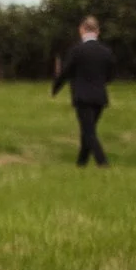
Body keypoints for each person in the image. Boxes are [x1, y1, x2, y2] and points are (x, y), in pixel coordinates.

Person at [54, 16, 115, 169]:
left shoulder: (77, 51)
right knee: (88, 130)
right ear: (98, 31)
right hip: (100, 97)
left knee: (88, 132)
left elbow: (66, 72)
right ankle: (81, 165)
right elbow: (111, 75)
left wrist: (56, 87)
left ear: (81, 30)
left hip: (82, 97)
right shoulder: (106, 52)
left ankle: (103, 163)